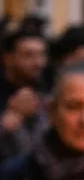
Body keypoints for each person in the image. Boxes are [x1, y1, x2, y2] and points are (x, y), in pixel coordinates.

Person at [0, 29, 49, 161]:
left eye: (41, 55)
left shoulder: (47, 91)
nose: (38, 63)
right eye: (28, 55)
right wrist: (8, 121)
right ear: (8, 59)